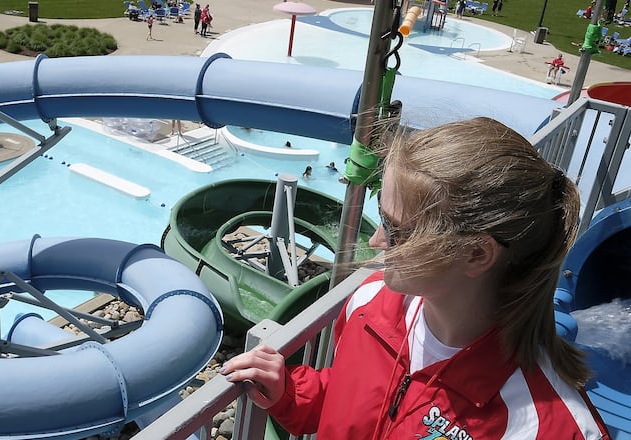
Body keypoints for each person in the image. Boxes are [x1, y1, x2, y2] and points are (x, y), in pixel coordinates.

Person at [221, 117, 610, 439]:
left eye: (397, 229)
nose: (375, 241)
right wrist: (290, 393)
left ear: (476, 253)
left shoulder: (547, 426)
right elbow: (350, 405)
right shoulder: (369, 303)